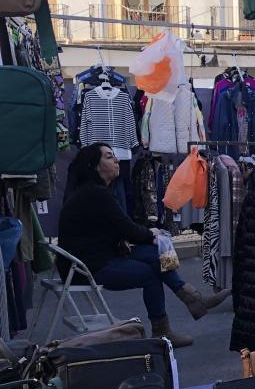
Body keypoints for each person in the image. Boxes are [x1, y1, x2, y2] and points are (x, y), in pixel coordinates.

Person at [57, 143, 230, 347]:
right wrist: (152, 234)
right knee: (151, 272)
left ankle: (191, 299)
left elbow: (121, 228)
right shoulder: (96, 194)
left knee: (153, 252)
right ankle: (165, 328)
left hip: (98, 257)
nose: (116, 160)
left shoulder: (95, 191)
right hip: (88, 267)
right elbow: (127, 228)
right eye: (109, 156)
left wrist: (150, 237)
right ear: (95, 166)